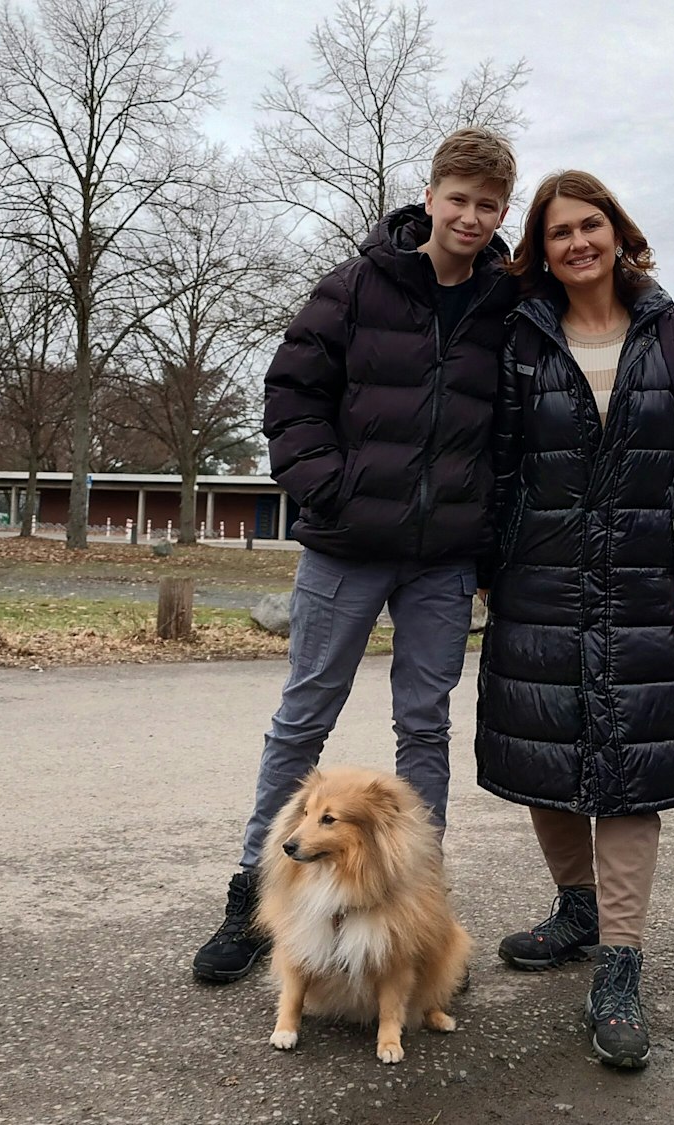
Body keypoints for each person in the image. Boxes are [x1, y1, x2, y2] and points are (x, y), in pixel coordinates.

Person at [192, 127, 521, 984]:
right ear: (432, 195)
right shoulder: (354, 286)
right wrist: (324, 484)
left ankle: (419, 900)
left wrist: (486, 534)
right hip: (346, 547)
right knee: (303, 717)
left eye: (490, 205)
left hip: (444, 558)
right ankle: (254, 893)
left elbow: (514, 426)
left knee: (425, 725)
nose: (473, 217)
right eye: (460, 199)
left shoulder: (507, 307)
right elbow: (291, 389)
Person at [475, 170, 674, 1068]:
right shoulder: (519, 340)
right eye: (558, 233)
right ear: (539, 250)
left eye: (591, 225)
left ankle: (619, 964)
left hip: (642, 582)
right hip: (538, 578)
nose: (577, 243)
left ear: (618, 231)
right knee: (546, 748)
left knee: (629, 768)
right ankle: (576, 907)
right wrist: (484, 568)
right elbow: (495, 459)